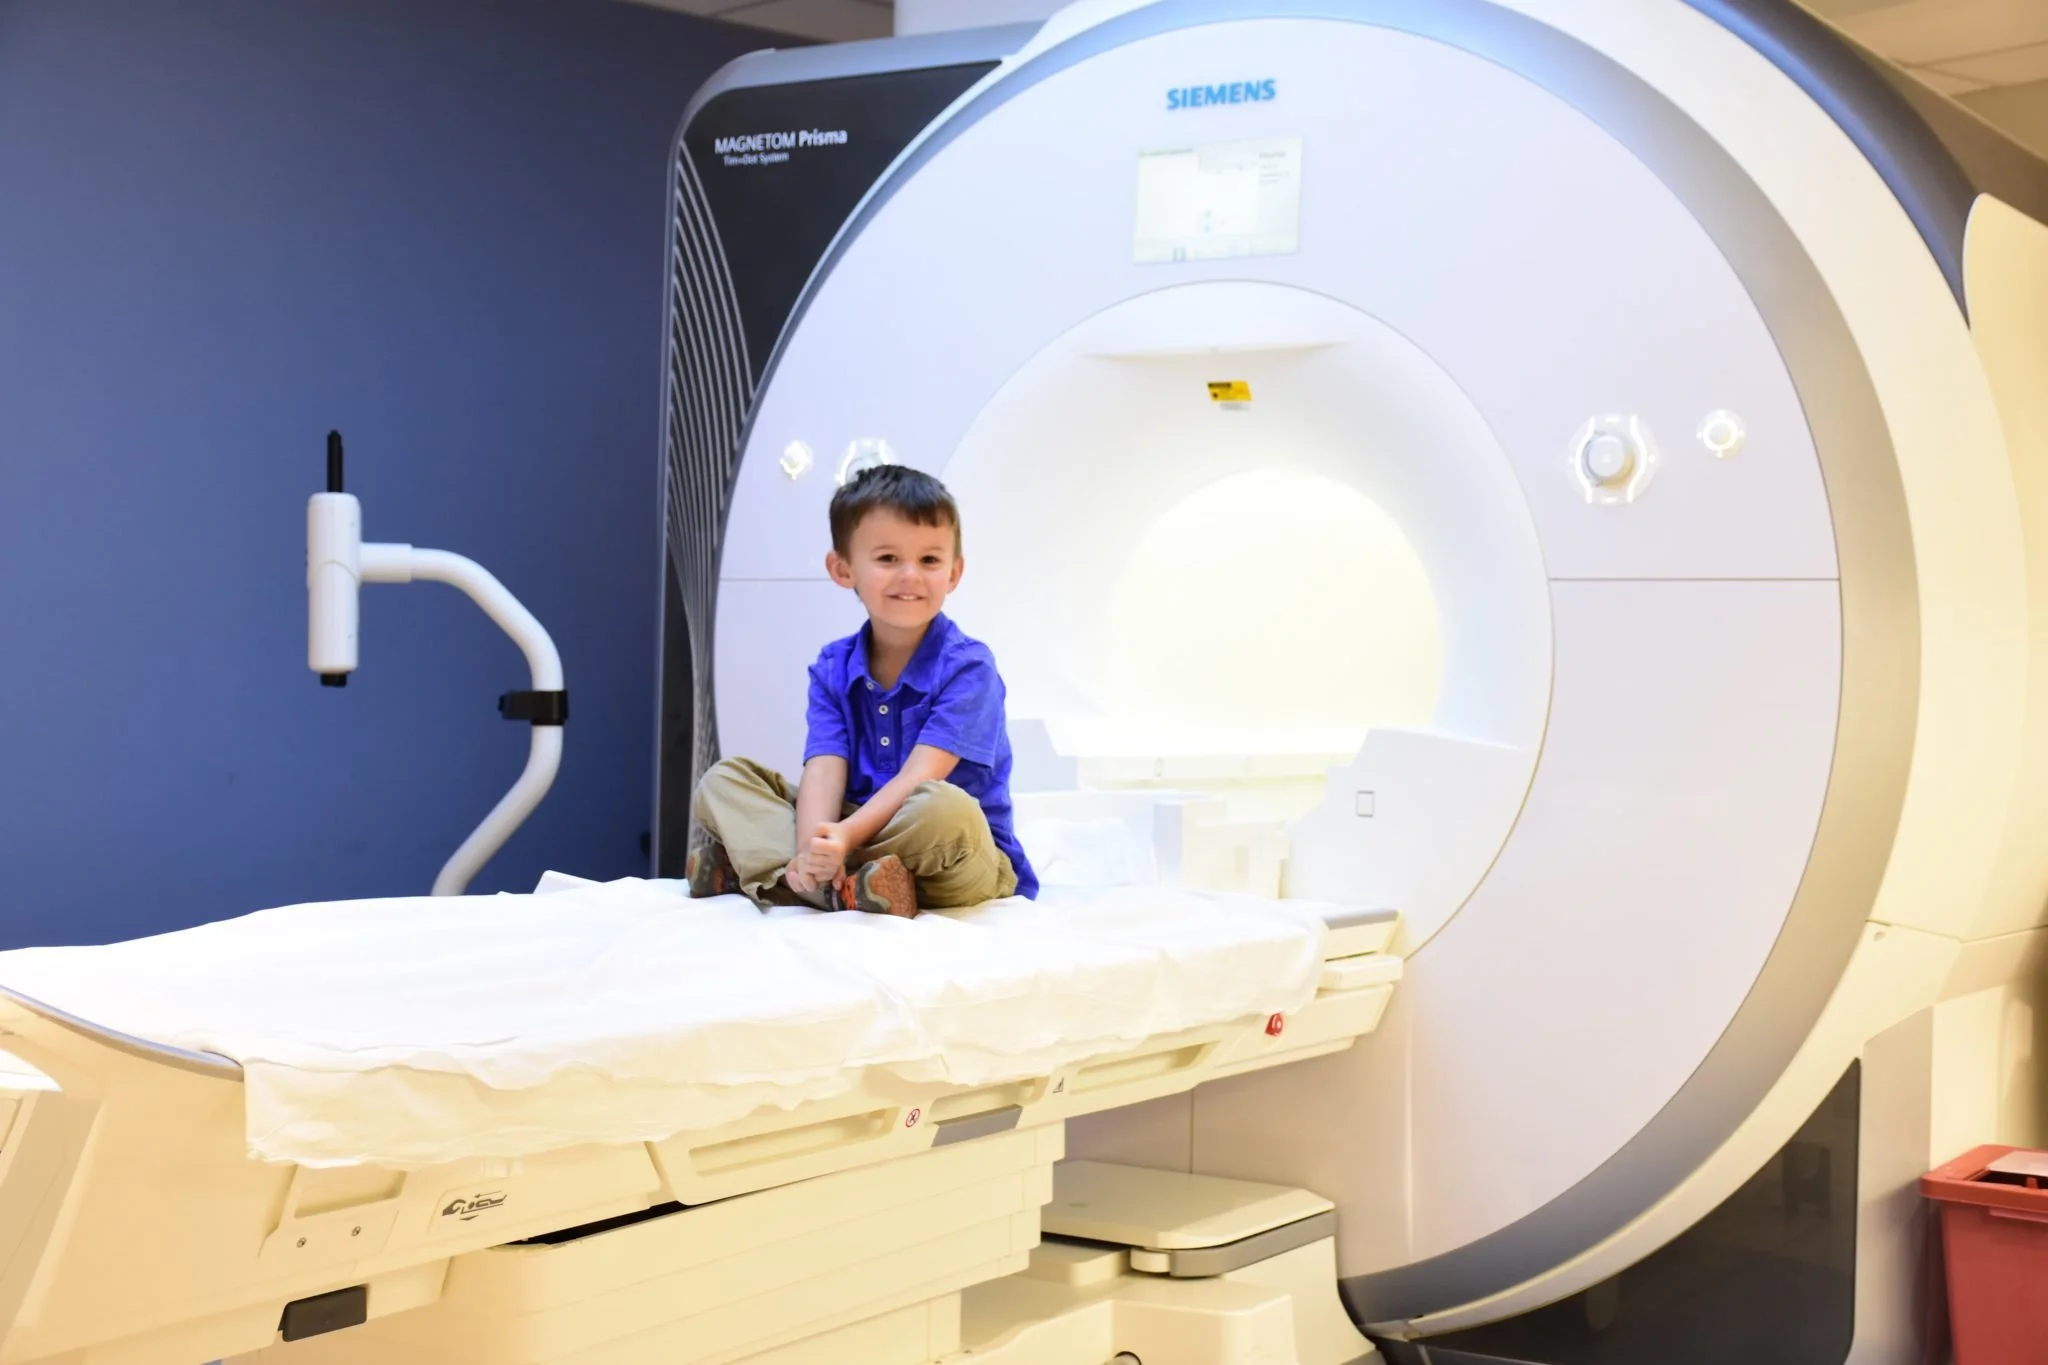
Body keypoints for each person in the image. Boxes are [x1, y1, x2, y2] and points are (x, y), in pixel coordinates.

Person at [685, 465, 1038, 917]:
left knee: (946, 809)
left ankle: (779, 879)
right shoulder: (833, 667)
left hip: (955, 854)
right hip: (856, 824)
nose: (910, 575)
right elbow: (825, 769)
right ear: (843, 568)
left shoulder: (969, 667)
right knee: (725, 781)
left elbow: (920, 778)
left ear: (954, 572)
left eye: (929, 560)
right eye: (888, 559)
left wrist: (845, 839)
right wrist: (814, 843)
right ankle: (835, 882)